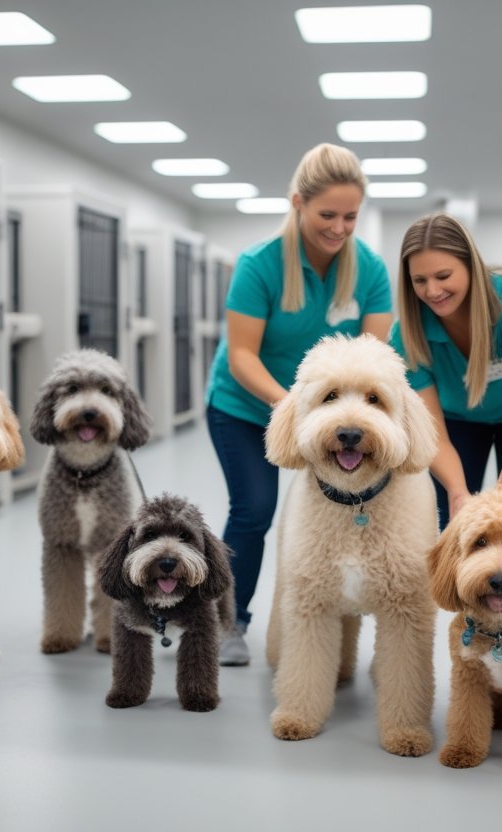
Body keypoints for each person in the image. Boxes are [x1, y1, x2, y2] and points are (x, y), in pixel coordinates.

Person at [205, 143, 392, 666]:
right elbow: (241, 354)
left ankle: (342, 622)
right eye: (326, 214)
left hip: (326, 409)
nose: (339, 227)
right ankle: (229, 622)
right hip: (246, 404)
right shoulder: (260, 265)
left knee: (351, 507)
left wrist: (334, 410)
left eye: (350, 216)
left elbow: (375, 356)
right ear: (297, 203)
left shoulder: (370, 270)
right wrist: (295, 406)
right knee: (255, 508)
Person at [390, 213, 502, 530]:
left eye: (443, 275)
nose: (433, 290)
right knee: (450, 513)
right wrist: (457, 492)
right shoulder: (407, 334)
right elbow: (434, 436)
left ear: (471, 266)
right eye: (420, 281)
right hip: (457, 421)